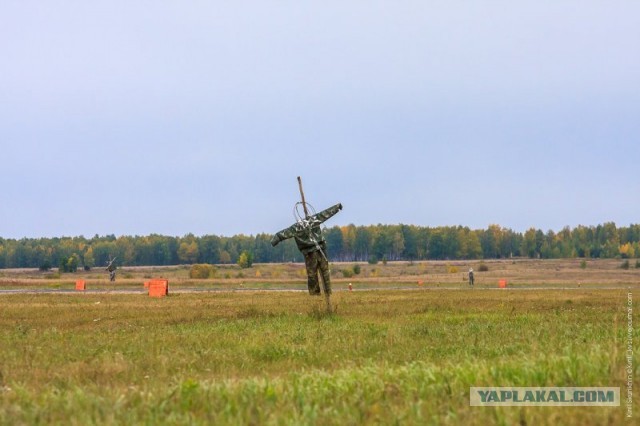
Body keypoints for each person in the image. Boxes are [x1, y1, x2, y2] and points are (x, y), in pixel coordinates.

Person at [271, 203, 342, 295]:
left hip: (319, 250)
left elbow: (325, 213)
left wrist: (337, 207)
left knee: (322, 274)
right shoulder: (302, 225)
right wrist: (275, 239)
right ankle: (317, 296)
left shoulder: (308, 222)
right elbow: (284, 233)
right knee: (314, 275)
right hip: (311, 253)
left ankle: (326, 294)